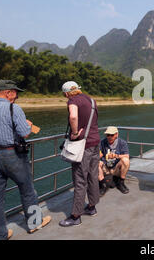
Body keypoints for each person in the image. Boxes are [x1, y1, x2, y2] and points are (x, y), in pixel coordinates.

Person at [0, 80, 51, 240]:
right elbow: (24, 133)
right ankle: (34, 224)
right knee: (28, 190)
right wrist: (27, 125)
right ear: (8, 92)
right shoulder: (13, 108)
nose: (17, 97)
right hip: (12, 155)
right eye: (16, 93)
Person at [59, 81, 100, 227]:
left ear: (66, 93)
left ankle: (75, 216)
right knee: (92, 176)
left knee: (80, 180)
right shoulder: (91, 100)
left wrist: (75, 133)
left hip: (82, 146)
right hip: (95, 142)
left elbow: (73, 117)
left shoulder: (73, 100)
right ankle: (92, 207)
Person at [98, 126, 130, 196]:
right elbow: (99, 154)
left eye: (111, 135)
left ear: (116, 134)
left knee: (126, 160)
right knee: (95, 163)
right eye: (107, 135)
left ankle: (121, 183)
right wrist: (99, 154)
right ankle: (102, 185)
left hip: (116, 168)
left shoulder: (122, 143)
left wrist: (116, 156)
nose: (109, 137)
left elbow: (127, 156)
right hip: (105, 167)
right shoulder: (102, 142)